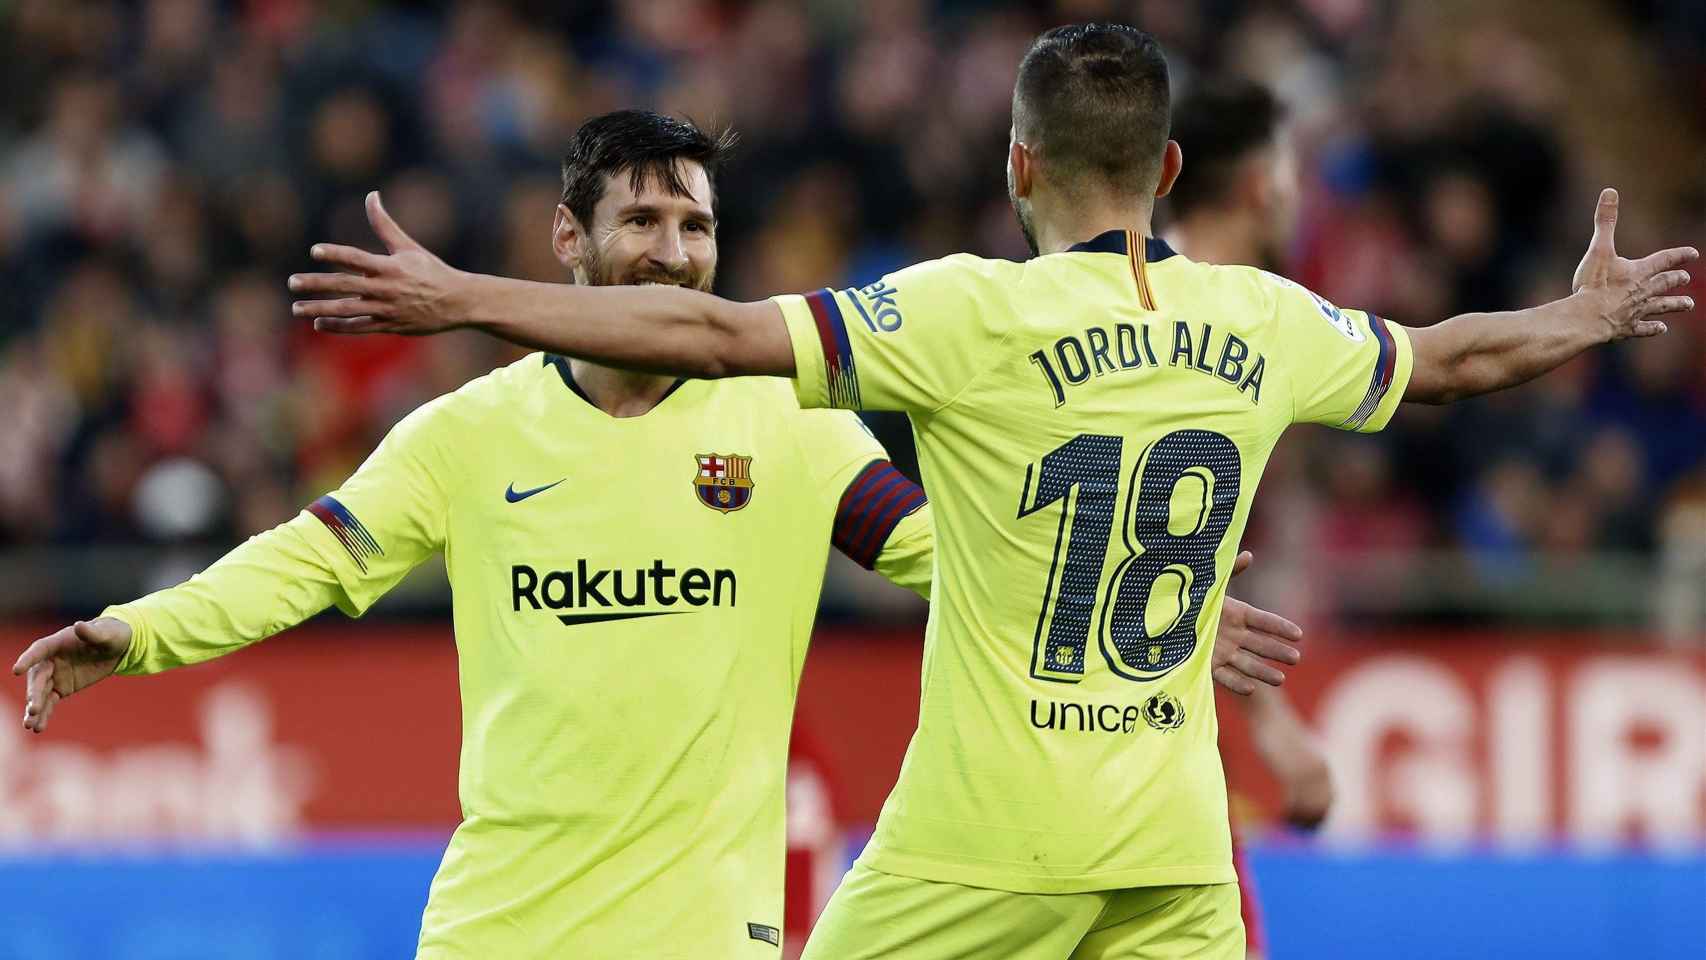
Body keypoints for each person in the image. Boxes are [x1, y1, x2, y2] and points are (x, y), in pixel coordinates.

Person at [286, 22, 1697, 958]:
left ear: (1017, 162)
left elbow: (714, 337)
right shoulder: (1265, 317)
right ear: (1169, 170)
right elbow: (1444, 362)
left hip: (983, 840)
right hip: (1171, 845)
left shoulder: (959, 315)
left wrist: (466, 295)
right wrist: (1577, 320)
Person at [14, 108, 1303, 958]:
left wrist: (1145, 602)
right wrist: (137, 633)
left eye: (694, 227)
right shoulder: (472, 433)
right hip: (500, 930)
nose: (673, 252)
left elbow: (950, 555)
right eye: (640, 221)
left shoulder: (791, 427)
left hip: (708, 935)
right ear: (566, 242)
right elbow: (307, 557)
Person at [1164, 77, 1338, 960]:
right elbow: (1158, 550)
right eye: (1293, 170)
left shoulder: (1156, 289)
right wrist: (1275, 728)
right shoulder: (1206, 328)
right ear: (1259, 182)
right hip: (1139, 735)